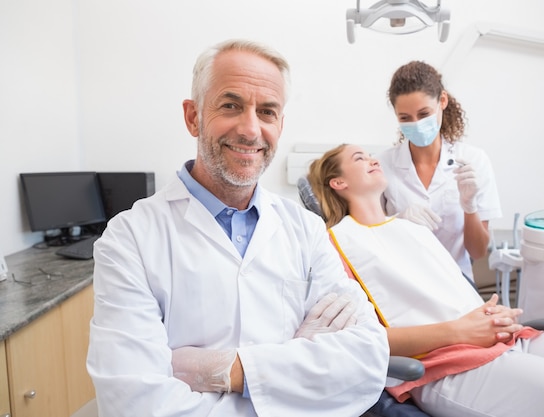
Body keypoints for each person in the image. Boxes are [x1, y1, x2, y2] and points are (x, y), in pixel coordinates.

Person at [86, 40, 390, 417]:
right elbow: (135, 404)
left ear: (280, 124)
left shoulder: (307, 231)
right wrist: (297, 374)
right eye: (230, 105)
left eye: (267, 112)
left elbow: (367, 359)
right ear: (193, 116)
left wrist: (229, 370)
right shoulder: (129, 239)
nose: (250, 129)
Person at [307, 143, 544, 417]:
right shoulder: (336, 244)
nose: (373, 160)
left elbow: (455, 295)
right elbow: (363, 341)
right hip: (452, 364)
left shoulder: (412, 228)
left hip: (510, 338)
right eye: (359, 158)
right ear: (338, 183)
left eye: (370, 155)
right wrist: (460, 330)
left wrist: (496, 315)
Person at [376, 61, 502, 281]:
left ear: (442, 101)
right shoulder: (382, 165)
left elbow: (478, 252)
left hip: (456, 282)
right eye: (405, 118)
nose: (416, 124)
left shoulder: (474, 160)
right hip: (403, 281)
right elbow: (371, 239)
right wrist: (395, 221)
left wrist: (469, 207)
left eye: (424, 114)